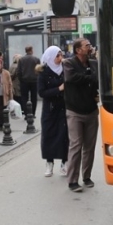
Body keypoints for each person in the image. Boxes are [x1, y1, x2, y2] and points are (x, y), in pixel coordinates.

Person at [62, 38, 99, 192]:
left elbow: (99, 80)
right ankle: (72, 181)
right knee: (76, 145)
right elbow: (72, 78)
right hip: (75, 111)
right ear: (78, 50)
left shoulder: (94, 63)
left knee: (89, 147)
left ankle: (87, 176)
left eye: (90, 45)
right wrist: (90, 78)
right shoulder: (69, 63)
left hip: (91, 110)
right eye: (86, 45)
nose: (89, 47)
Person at [37, 46, 68, 177]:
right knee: (49, 135)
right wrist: (59, 89)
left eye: (61, 55)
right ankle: (49, 163)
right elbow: (41, 92)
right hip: (50, 109)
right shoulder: (43, 72)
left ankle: (64, 162)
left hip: (64, 107)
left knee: (64, 136)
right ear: (50, 57)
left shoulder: (65, 69)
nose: (60, 58)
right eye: (57, 56)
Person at [18, 45, 40, 116]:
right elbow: (39, 70)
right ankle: (33, 113)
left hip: (24, 81)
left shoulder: (21, 60)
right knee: (34, 97)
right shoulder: (36, 59)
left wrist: (21, 79)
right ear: (31, 50)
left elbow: (19, 72)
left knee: (24, 97)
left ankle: (26, 113)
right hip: (34, 81)